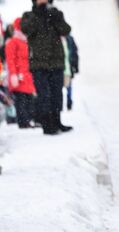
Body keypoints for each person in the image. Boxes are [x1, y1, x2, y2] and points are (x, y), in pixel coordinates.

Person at [21, 0, 72, 135]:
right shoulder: (28, 15)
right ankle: (47, 125)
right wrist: (39, 13)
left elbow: (66, 30)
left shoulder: (55, 13)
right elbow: (26, 29)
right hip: (39, 64)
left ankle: (57, 121)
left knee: (56, 94)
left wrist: (54, 16)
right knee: (44, 95)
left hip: (56, 62)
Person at [5, 17, 36, 129]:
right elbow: (10, 59)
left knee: (28, 100)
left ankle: (27, 121)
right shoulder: (13, 42)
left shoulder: (25, 41)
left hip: (26, 76)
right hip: (19, 76)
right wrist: (13, 74)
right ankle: (23, 122)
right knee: (21, 100)